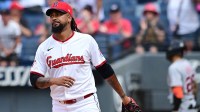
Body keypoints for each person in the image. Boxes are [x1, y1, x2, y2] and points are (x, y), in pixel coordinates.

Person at [29, 1, 141, 112]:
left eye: (58, 14)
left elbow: (104, 69)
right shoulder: (44, 47)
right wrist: (53, 80)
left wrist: (124, 97)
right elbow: (34, 80)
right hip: (59, 106)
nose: (54, 18)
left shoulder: (86, 40)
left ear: (69, 18)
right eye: (52, 15)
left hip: (85, 103)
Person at [166, 40, 198, 112]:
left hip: (183, 106)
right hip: (192, 103)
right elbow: (195, 86)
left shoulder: (174, 67)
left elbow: (177, 90)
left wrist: (176, 109)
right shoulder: (188, 64)